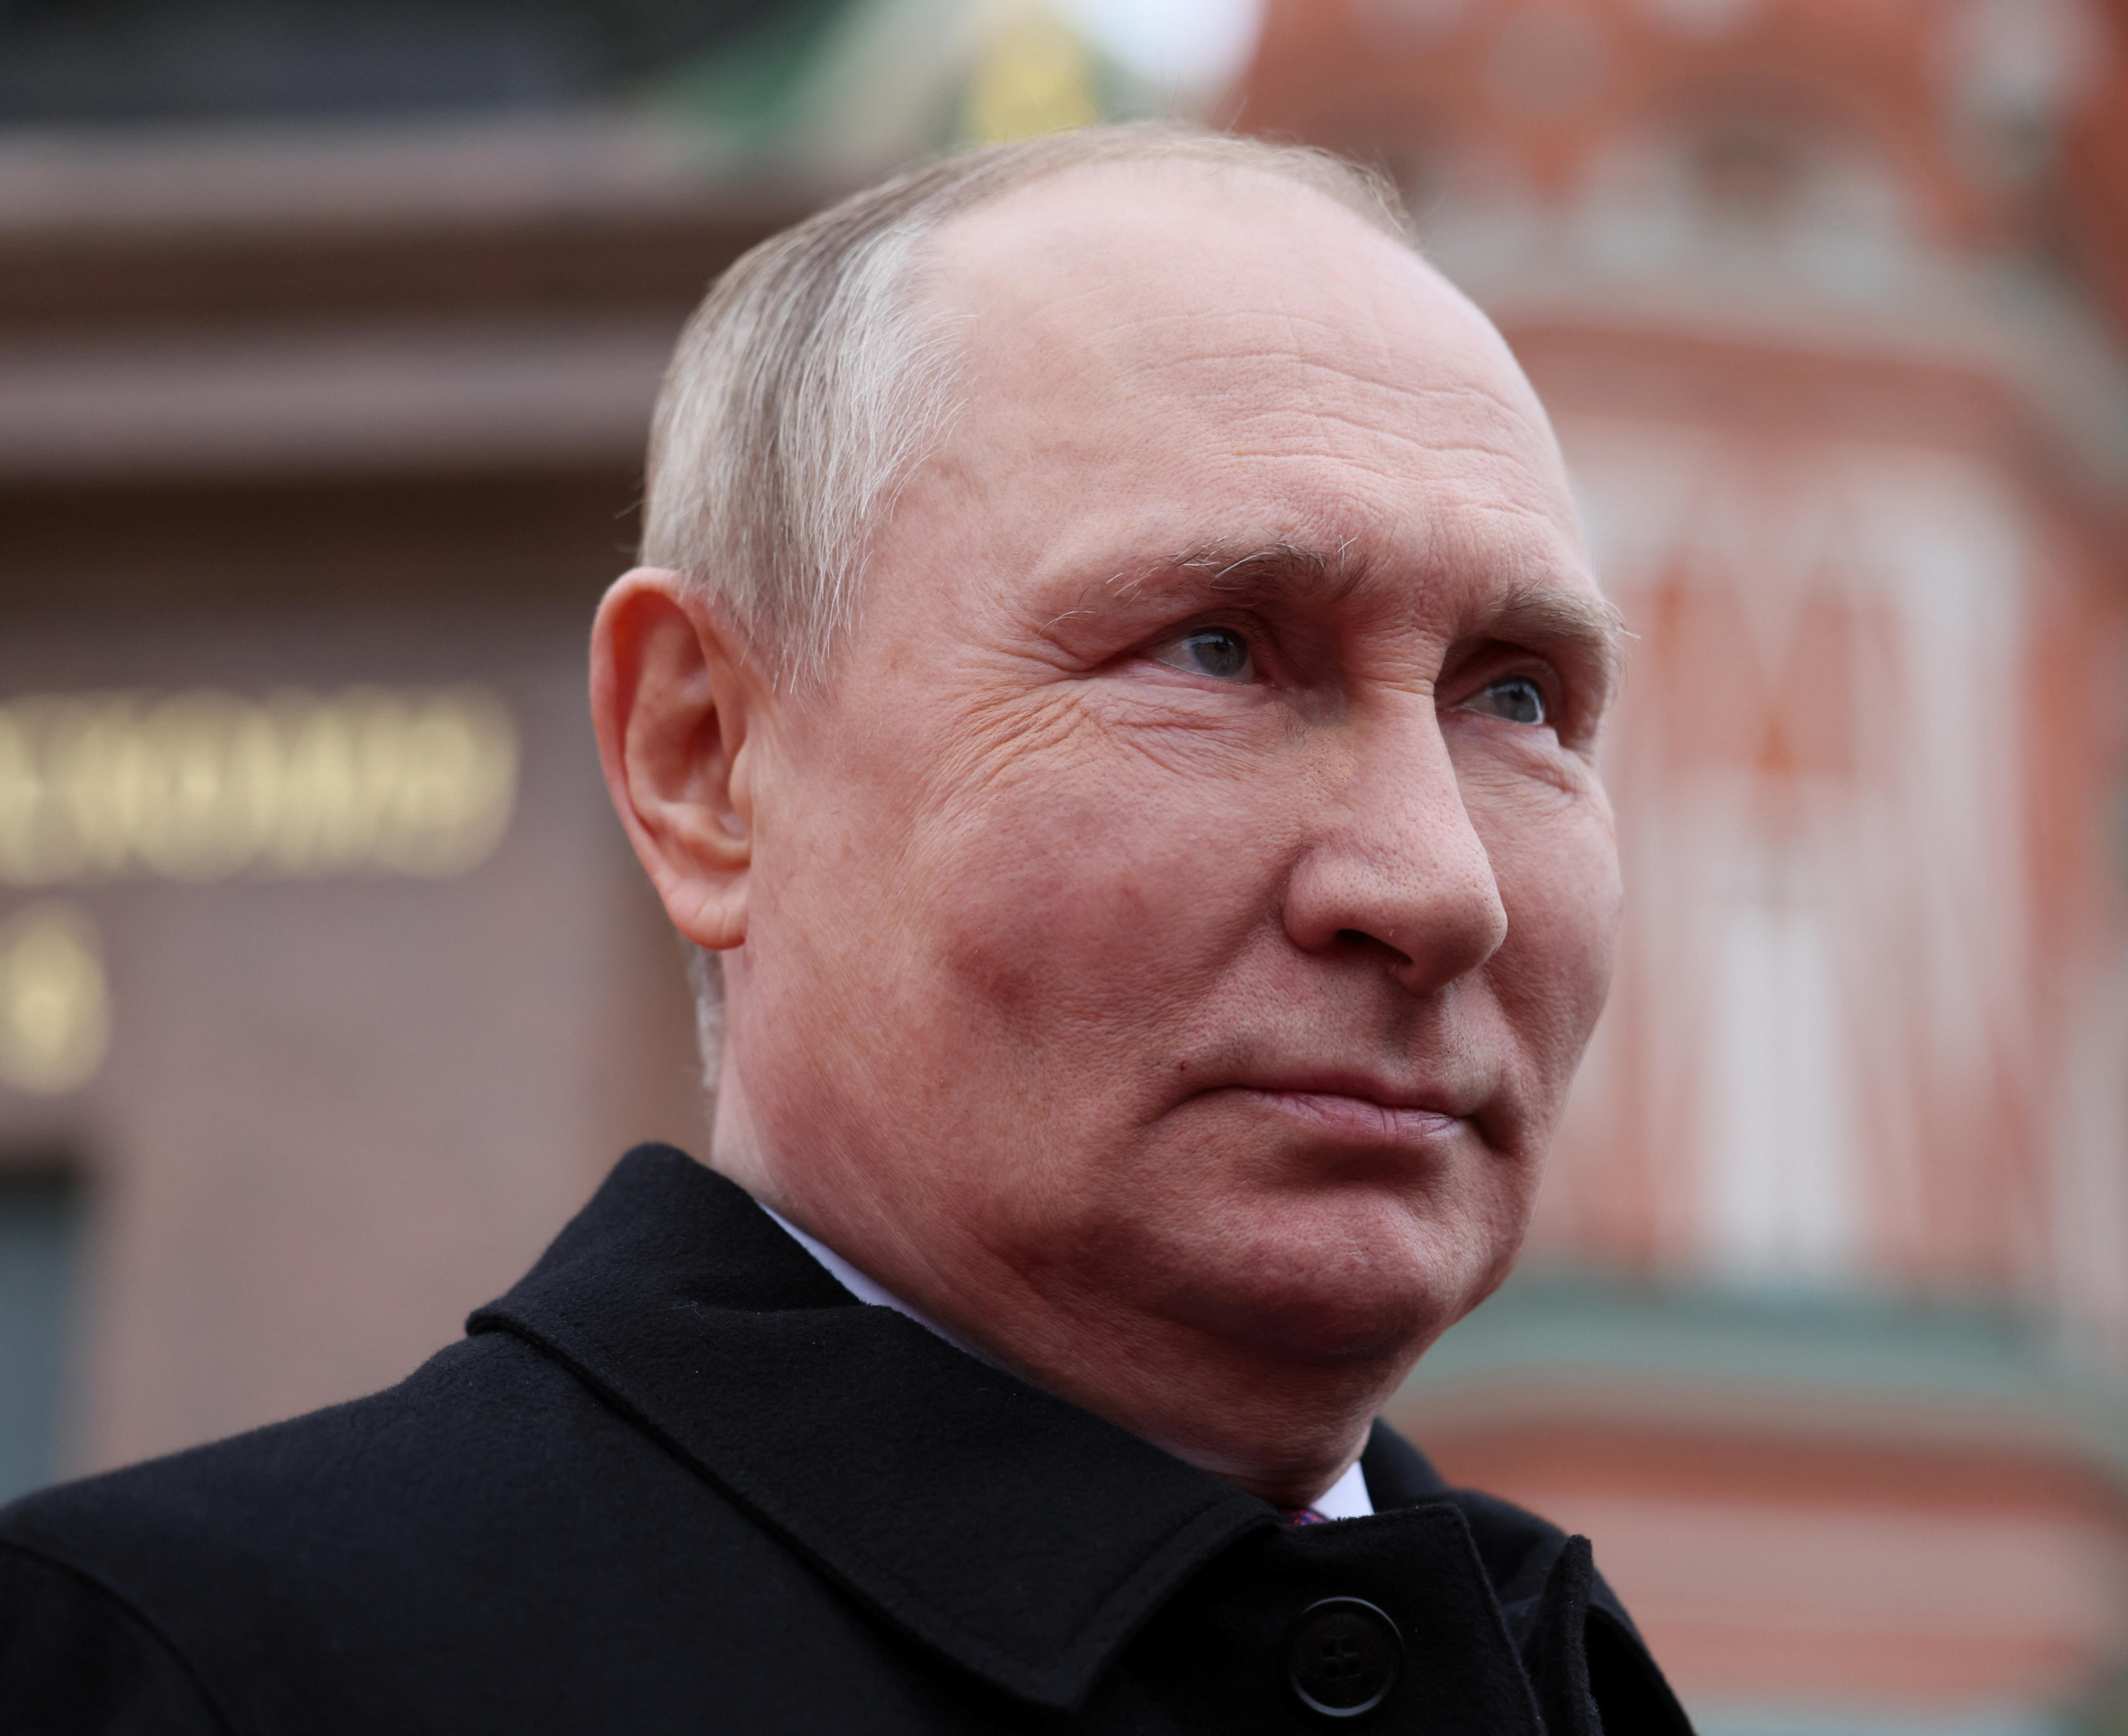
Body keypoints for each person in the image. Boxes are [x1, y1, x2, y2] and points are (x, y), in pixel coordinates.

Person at [0, 125, 1684, 1734]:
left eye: (1519, 696)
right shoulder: (183, 1679)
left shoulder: (1583, 1690)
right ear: (708, 763)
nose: (1437, 885)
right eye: (1219, 651)